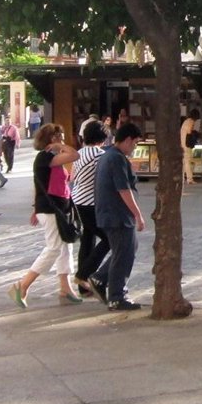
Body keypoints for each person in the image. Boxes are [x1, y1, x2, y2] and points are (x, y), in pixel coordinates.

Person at [7, 123, 82, 309]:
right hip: (51, 209)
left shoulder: (53, 159)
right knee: (54, 247)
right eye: (59, 136)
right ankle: (22, 285)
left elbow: (41, 183)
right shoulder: (46, 157)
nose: (62, 139)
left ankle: (65, 287)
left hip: (58, 208)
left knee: (65, 247)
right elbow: (74, 155)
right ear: (52, 138)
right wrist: (59, 147)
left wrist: (35, 208)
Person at [86, 121, 146, 311]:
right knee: (123, 254)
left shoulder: (109, 155)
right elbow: (123, 189)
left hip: (111, 213)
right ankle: (117, 296)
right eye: (135, 143)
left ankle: (100, 278)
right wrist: (138, 215)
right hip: (117, 214)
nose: (135, 147)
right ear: (127, 140)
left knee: (128, 248)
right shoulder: (116, 158)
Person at [71, 119, 110, 296]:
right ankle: (83, 275)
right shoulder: (100, 155)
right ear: (103, 137)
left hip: (77, 200)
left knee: (87, 240)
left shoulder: (79, 153)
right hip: (91, 202)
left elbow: (73, 177)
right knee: (109, 239)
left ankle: (83, 286)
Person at [180, 107, 200, 184]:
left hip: (183, 143)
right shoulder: (191, 122)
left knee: (185, 161)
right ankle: (189, 178)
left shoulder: (186, 121)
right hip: (186, 144)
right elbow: (189, 132)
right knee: (187, 161)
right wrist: (195, 133)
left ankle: (183, 177)